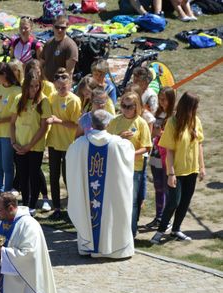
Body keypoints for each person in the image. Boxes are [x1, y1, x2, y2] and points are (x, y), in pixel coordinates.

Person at [66, 110, 135, 258]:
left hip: (88, 192)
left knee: (88, 209)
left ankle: (88, 245)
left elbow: (69, 161)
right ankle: (113, 249)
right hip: (109, 193)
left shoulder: (79, 144)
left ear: (91, 124)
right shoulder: (119, 144)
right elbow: (129, 155)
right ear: (108, 124)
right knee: (109, 212)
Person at [151, 92, 205, 244]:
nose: (196, 109)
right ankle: (161, 230)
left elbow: (199, 144)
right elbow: (169, 150)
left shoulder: (196, 121)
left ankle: (176, 229)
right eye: (195, 107)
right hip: (177, 171)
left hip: (192, 169)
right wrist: (171, 173)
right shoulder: (173, 122)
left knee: (185, 201)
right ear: (188, 106)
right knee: (173, 202)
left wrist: (202, 167)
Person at [106, 91, 151, 237]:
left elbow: (147, 147)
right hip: (117, 166)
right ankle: (117, 231)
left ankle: (131, 232)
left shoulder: (141, 123)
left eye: (129, 106)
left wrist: (131, 154)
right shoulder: (115, 121)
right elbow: (107, 141)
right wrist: (119, 136)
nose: (125, 109)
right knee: (117, 199)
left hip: (135, 168)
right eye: (123, 106)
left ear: (136, 106)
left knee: (132, 201)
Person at [11, 70, 51, 214]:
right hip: (19, 145)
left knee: (34, 176)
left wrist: (29, 146)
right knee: (22, 175)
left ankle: (33, 205)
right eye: (31, 86)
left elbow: (43, 128)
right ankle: (25, 203)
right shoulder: (18, 99)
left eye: (36, 86)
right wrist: (14, 143)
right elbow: (12, 124)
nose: (33, 89)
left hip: (35, 147)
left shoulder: (44, 101)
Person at [46, 68, 81, 219]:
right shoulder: (52, 97)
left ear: (70, 84)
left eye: (64, 87)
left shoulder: (74, 100)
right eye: (58, 87)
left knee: (69, 178)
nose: (61, 90)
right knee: (54, 176)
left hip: (69, 144)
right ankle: (56, 208)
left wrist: (58, 121)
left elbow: (76, 125)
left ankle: (72, 207)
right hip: (54, 142)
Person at [0, 61, 22, 194]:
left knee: (7, 165)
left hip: (8, 134)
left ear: (4, 74)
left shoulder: (17, 91)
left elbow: (16, 116)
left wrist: (0, 121)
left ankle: (7, 191)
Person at [146, 87, 176, 230]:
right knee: (158, 188)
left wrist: (161, 133)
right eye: (160, 98)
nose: (161, 102)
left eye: (164, 99)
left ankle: (167, 219)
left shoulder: (174, 116)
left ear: (171, 99)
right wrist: (153, 132)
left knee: (167, 189)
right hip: (155, 155)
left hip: (167, 157)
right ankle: (158, 217)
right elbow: (150, 133)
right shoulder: (157, 113)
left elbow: (176, 137)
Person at [40, 15, 78, 82]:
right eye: (57, 27)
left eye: (62, 28)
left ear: (67, 27)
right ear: (53, 27)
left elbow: (69, 72)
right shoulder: (48, 42)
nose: (59, 30)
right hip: (46, 84)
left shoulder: (70, 46)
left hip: (60, 86)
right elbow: (42, 64)